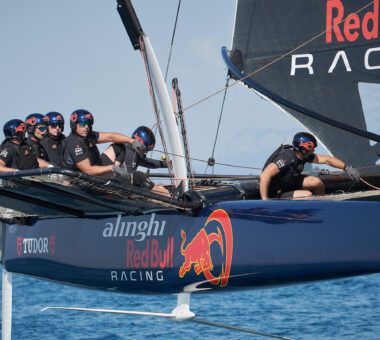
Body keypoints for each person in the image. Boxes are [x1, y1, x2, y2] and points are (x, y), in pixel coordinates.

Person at [259, 132, 361, 200]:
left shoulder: (304, 156)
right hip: (275, 192)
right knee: (307, 195)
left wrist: (347, 168)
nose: (314, 150)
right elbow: (264, 176)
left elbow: (327, 160)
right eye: (312, 148)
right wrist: (265, 200)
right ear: (303, 149)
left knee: (316, 182)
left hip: (288, 183)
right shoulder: (286, 158)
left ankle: (323, 207)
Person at [63, 109, 146, 181]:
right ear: (74, 125)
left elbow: (110, 137)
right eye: (83, 124)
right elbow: (88, 170)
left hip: (98, 167)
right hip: (85, 178)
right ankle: (116, 177)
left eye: (89, 124)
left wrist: (131, 141)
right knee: (138, 178)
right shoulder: (74, 143)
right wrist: (112, 167)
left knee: (119, 146)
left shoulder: (88, 135)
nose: (86, 127)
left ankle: (115, 175)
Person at [123, 126, 169, 195]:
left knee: (155, 185)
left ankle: (168, 193)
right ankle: (172, 196)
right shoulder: (130, 153)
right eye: (145, 149)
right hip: (119, 189)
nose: (146, 152)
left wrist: (165, 164)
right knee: (140, 177)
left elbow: (148, 162)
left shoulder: (132, 150)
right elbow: (129, 178)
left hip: (122, 185)